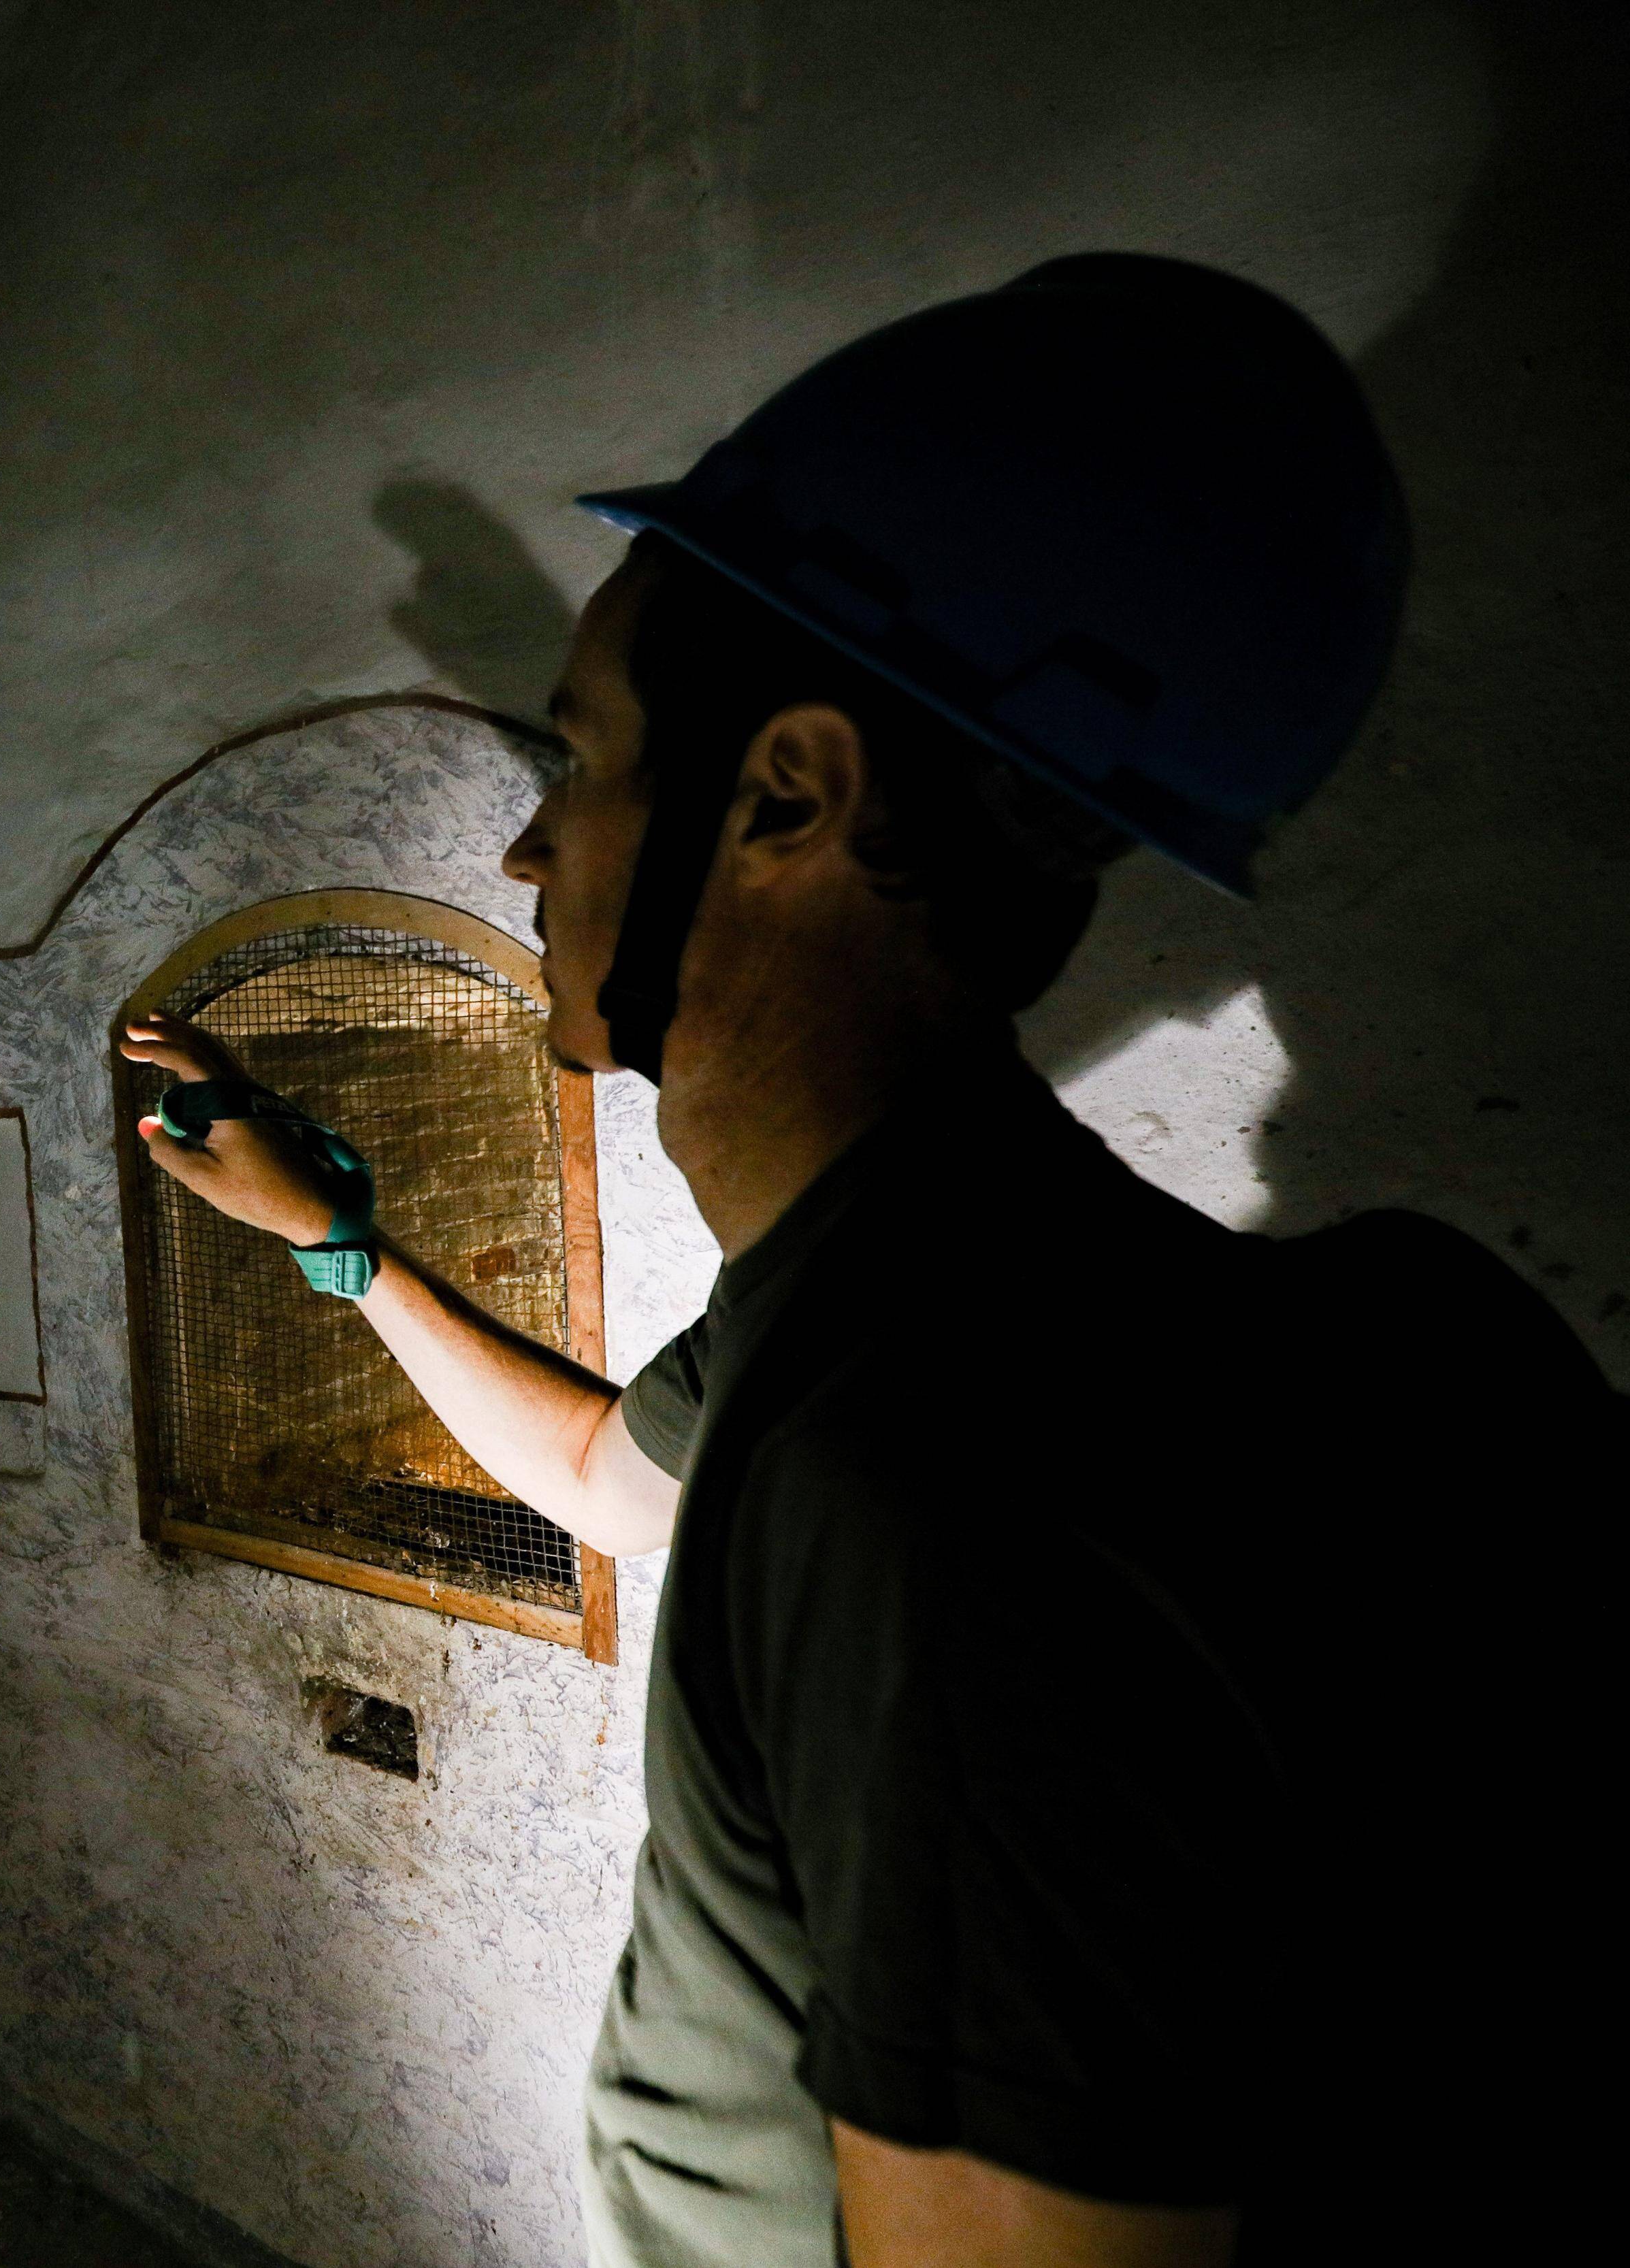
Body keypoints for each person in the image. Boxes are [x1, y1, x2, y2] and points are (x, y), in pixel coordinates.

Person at [124, 257, 1610, 2268]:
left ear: (788, 792)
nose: (530, 853)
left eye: (581, 759)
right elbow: (598, 1481)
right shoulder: (896, 1314)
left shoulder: (937, 1485)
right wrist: (339, 1242)